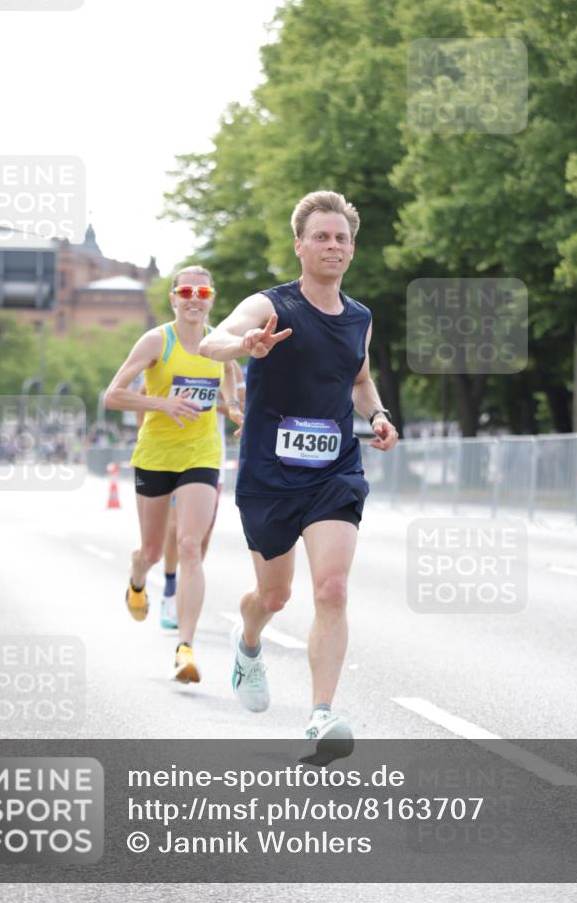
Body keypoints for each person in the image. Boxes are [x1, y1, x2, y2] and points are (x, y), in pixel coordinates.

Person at [199, 191, 398, 752]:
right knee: (275, 596)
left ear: (352, 249)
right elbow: (216, 340)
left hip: (334, 471)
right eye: (321, 236)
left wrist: (378, 414)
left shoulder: (360, 317)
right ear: (300, 245)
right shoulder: (272, 306)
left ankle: (319, 717)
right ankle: (249, 641)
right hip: (268, 474)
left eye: (341, 237)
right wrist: (245, 344)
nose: (332, 245)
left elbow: (359, 380)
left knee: (332, 588)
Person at [105, 265, 242, 683]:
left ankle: (185, 648)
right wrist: (162, 403)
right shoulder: (156, 341)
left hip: (201, 454)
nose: (194, 298)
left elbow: (231, 381)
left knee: (189, 545)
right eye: (186, 291)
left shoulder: (219, 344)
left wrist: (236, 409)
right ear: (174, 298)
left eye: (202, 292)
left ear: (211, 298)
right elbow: (113, 395)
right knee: (151, 550)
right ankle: (138, 574)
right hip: (156, 455)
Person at [159, 362, 246, 629]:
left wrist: (212, 403)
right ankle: (171, 591)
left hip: (209, 457)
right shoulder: (171, 356)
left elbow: (239, 405)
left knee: (202, 533)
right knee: (177, 529)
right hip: (173, 453)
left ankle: (186, 585)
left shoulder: (226, 364)